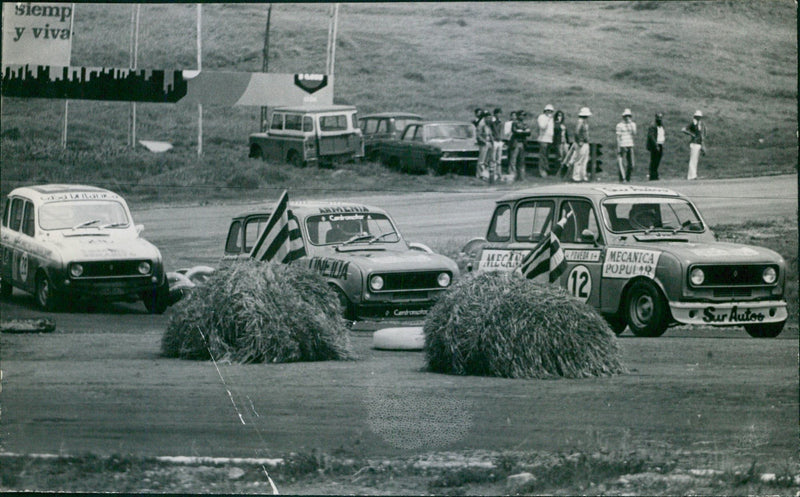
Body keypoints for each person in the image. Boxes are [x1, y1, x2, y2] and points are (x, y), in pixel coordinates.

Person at [681, 110, 706, 180]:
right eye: (697, 117)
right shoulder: (693, 123)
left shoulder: (700, 124)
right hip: (694, 143)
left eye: (699, 117)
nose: (699, 118)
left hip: (698, 143)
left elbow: (701, 135)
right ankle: (691, 176)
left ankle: (694, 175)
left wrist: (702, 144)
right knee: (693, 159)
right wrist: (691, 134)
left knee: (695, 160)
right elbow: (683, 129)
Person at [615, 108, 637, 183]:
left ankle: (628, 177)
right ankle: (623, 178)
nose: (627, 117)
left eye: (629, 116)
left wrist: (630, 124)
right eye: (626, 116)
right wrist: (618, 147)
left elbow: (634, 133)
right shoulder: (619, 125)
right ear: (623, 117)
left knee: (631, 163)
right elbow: (618, 137)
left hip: (630, 144)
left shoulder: (633, 124)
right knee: (622, 162)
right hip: (623, 145)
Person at [508, 110, 531, 181]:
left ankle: (521, 176)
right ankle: (512, 175)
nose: (523, 117)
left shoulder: (525, 123)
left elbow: (529, 133)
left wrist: (522, 131)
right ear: (518, 116)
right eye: (521, 115)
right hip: (516, 142)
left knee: (521, 160)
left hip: (522, 143)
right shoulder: (514, 123)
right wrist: (523, 131)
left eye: (524, 115)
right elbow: (515, 132)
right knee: (513, 159)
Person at [572, 107, 592, 182]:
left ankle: (583, 175)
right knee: (579, 160)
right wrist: (580, 141)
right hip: (581, 143)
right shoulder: (580, 121)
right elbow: (576, 132)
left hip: (585, 142)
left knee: (584, 160)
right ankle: (576, 176)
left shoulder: (584, 122)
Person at [536, 104, 555, 177]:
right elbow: (542, 127)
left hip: (549, 140)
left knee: (546, 156)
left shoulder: (551, 119)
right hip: (543, 139)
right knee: (542, 156)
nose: (549, 112)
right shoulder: (542, 117)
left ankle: (546, 170)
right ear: (545, 111)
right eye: (548, 111)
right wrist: (548, 119)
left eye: (551, 111)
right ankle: (542, 171)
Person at [646, 112, 665, 180]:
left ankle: (655, 174)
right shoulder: (653, 125)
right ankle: (652, 175)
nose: (660, 119)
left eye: (661, 118)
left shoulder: (661, 125)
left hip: (660, 144)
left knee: (658, 160)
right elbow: (651, 136)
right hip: (655, 145)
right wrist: (656, 145)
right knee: (654, 160)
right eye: (658, 118)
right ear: (656, 118)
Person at [475, 110, 493, 180]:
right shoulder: (481, 124)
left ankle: (485, 175)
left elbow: (490, 133)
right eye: (488, 117)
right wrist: (484, 141)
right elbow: (478, 135)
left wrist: (492, 142)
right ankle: (479, 175)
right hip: (483, 144)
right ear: (485, 117)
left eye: (489, 117)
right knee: (481, 160)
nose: (489, 118)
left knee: (487, 160)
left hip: (489, 143)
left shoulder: (488, 124)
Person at [488, 107, 504, 184]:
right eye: (498, 113)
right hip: (494, 140)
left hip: (499, 141)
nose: (499, 115)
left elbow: (501, 131)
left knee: (499, 158)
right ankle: (492, 175)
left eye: (500, 113)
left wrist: (501, 139)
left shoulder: (500, 122)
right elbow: (491, 131)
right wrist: (492, 139)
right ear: (495, 114)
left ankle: (499, 174)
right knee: (493, 158)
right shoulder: (492, 121)